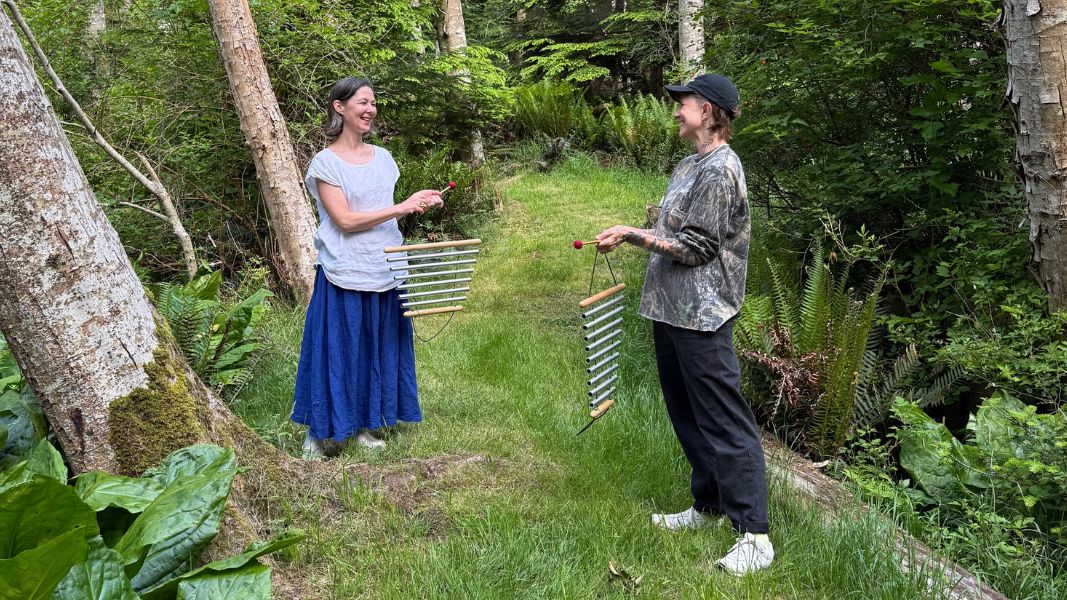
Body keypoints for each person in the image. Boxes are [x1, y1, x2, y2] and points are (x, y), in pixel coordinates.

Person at [594, 74, 774, 575]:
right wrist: (637, 232)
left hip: (703, 315)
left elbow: (697, 249)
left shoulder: (720, 170)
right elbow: (672, 229)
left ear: (710, 111)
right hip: (670, 309)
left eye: (684, 103)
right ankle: (709, 505)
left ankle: (755, 535)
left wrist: (633, 235)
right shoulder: (690, 164)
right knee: (687, 413)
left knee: (723, 419)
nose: (676, 111)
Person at [292, 77, 443, 458]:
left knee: (375, 351)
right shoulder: (325, 163)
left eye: (373, 102)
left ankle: (363, 426)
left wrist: (416, 203)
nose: (370, 109)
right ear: (339, 107)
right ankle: (317, 433)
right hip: (344, 271)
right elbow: (344, 220)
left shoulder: (384, 158)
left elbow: (385, 211)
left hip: (386, 269)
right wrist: (402, 206)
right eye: (362, 101)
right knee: (336, 351)